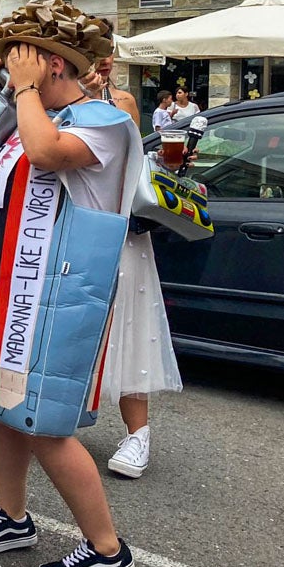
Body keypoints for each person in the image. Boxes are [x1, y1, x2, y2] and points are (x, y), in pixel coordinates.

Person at [0, 0, 137, 567]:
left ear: (51, 64)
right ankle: (12, 517)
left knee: (44, 421)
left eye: (18, 59)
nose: (10, 70)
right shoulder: (24, 112)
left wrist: (27, 94)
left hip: (60, 288)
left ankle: (107, 547)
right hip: (6, 279)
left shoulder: (104, 121)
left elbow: (44, 155)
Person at [83, 52, 182, 479]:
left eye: (107, 51)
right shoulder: (49, 105)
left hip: (124, 230)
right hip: (76, 227)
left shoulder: (122, 102)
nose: (103, 60)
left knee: (130, 328)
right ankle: (49, 420)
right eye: (93, 52)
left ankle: (137, 434)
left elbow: (128, 159)